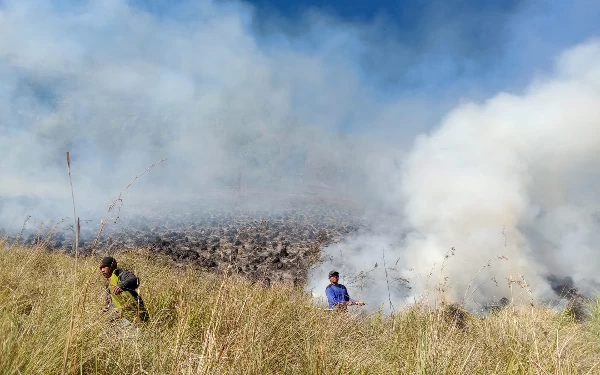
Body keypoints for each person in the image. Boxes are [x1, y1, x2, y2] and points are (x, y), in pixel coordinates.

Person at [99, 256, 149, 323]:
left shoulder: (120, 273)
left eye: (105, 267)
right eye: (101, 268)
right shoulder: (109, 285)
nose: (102, 270)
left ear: (112, 266)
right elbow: (110, 303)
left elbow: (134, 279)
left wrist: (121, 286)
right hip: (123, 315)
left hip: (134, 314)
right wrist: (105, 309)